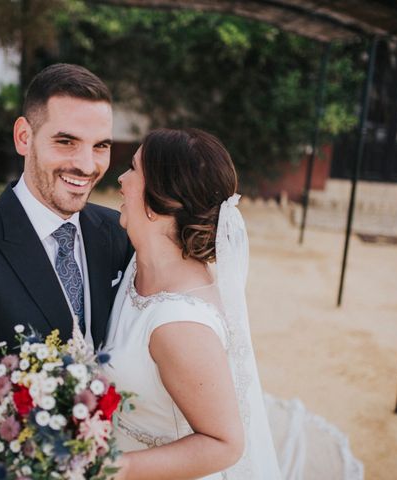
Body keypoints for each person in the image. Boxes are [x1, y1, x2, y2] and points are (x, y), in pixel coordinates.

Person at [0, 63, 133, 479]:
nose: (86, 165)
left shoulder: (115, 234)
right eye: (66, 141)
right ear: (23, 137)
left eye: (100, 146)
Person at [105, 128, 282, 479]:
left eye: (133, 169)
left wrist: (112, 468)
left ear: (158, 202)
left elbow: (225, 443)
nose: (122, 179)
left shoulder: (180, 325)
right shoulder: (140, 263)